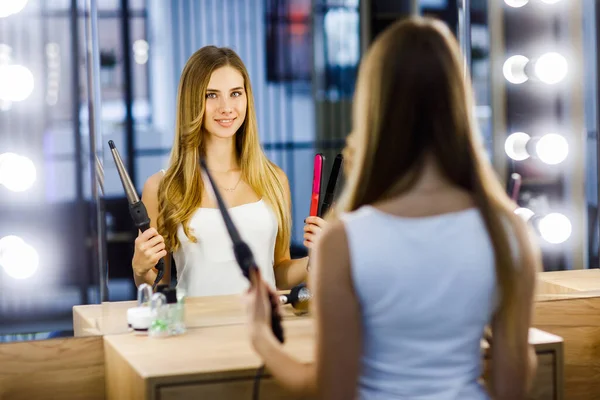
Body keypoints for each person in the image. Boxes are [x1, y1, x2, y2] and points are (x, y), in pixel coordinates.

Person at [245, 17, 539, 400]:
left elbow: (329, 387)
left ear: (374, 108)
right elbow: (510, 384)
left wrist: (261, 338)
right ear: (459, 102)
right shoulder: (507, 232)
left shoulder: (344, 241)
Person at [131, 45, 326, 297]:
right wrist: (139, 269)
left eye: (235, 93)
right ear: (192, 101)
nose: (226, 107)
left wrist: (316, 259)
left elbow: (278, 272)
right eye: (211, 95)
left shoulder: (273, 179)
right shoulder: (161, 187)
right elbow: (160, 285)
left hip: (262, 327)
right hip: (198, 331)